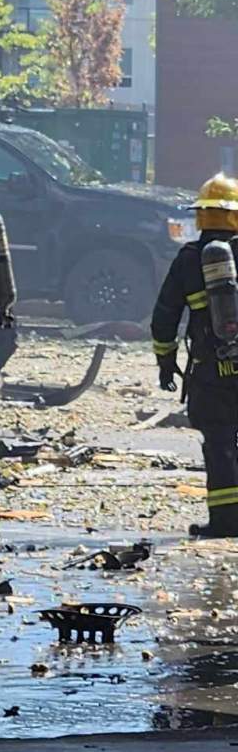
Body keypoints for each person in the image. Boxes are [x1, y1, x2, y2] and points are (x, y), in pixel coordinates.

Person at [151, 174, 238, 539]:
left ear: (201, 216)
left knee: (219, 444)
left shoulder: (188, 259)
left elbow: (165, 315)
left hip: (210, 372)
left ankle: (224, 521)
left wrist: (165, 360)